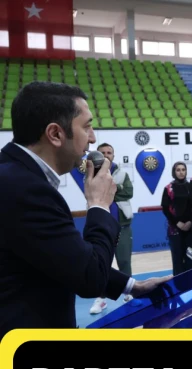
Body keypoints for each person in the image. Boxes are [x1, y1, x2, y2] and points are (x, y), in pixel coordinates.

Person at [0, 81, 168, 341]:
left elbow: (61, 256)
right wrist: (99, 205)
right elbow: (89, 277)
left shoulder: (15, 176)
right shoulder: (24, 188)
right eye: (87, 126)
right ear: (55, 134)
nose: (93, 138)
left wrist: (132, 285)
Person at [90, 142, 135, 314]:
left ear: (113, 155)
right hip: (102, 226)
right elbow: (93, 194)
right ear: (97, 155)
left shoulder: (122, 173)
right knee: (101, 264)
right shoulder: (91, 174)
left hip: (122, 225)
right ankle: (101, 298)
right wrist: (116, 188)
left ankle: (129, 294)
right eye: (102, 152)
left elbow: (129, 192)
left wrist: (108, 190)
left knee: (124, 261)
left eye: (109, 152)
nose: (106, 155)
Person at [161, 161, 192, 275]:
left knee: (190, 259)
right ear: (174, 172)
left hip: (191, 227)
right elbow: (165, 208)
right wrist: (177, 223)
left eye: (183, 170)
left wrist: (190, 222)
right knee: (177, 258)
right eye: (178, 170)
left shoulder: (191, 186)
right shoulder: (168, 188)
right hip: (175, 229)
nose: (181, 172)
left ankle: (190, 282)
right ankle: (178, 284)